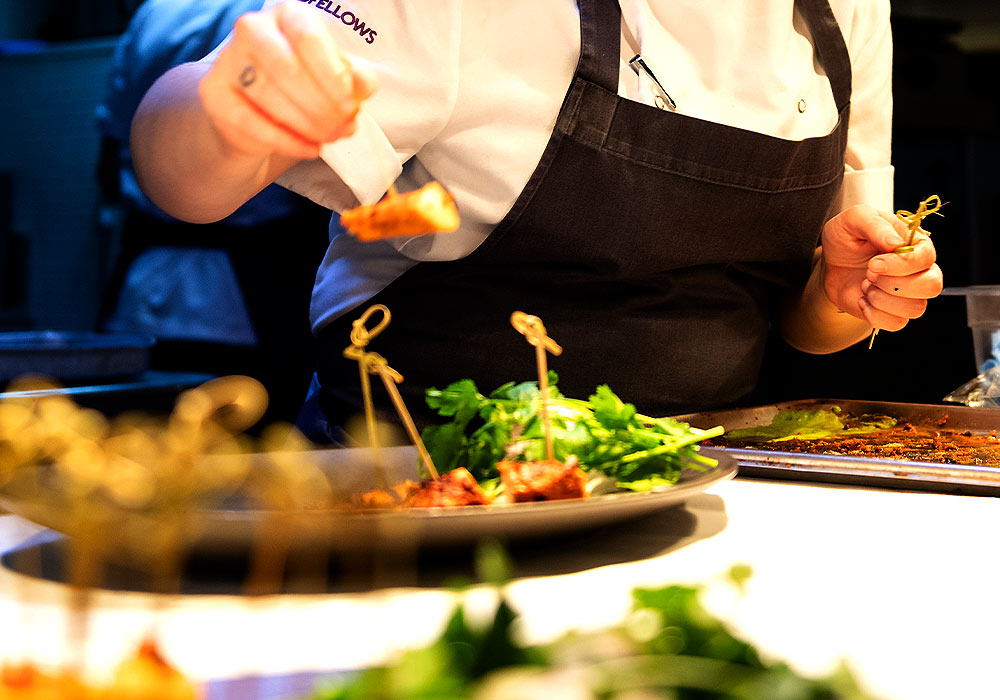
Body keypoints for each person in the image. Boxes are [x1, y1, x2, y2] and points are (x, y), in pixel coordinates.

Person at [130, 0, 944, 443]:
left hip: (698, 482)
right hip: (421, 482)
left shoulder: (848, 14)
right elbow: (188, 185)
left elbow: (813, 322)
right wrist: (226, 112)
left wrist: (850, 294)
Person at [96, 0, 331, 425]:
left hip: (149, 282)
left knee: (142, 437)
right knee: (254, 450)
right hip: (260, 282)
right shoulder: (289, 13)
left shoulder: (154, 13)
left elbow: (109, 160)